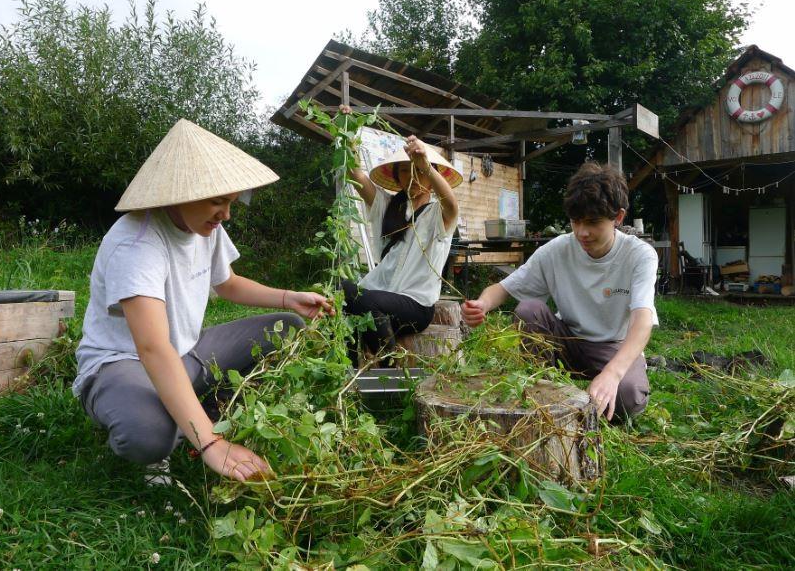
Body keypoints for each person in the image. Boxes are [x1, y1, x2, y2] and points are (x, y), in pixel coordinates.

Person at [74, 119, 333, 482]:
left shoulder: (204, 227)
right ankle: (180, 425)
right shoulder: (137, 244)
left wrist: (290, 298)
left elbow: (226, 283)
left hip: (186, 353)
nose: (225, 214)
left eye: (229, 202)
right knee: (148, 436)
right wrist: (210, 443)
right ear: (181, 194)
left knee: (286, 328)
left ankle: (191, 413)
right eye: (217, 201)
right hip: (124, 364)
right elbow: (151, 348)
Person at [461, 162, 657, 422]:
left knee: (627, 399)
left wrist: (613, 373)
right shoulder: (557, 250)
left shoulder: (639, 255)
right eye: (575, 221)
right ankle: (541, 387)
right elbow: (504, 288)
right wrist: (482, 304)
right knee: (529, 310)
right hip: (568, 342)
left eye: (593, 222)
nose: (582, 232)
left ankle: (606, 380)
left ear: (618, 217)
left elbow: (642, 319)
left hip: (613, 346)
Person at [339, 105, 461, 367]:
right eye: (406, 170)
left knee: (365, 301)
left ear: (431, 176)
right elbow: (355, 174)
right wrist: (348, 133)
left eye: (418, 170)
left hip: (416, 306)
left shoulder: (439, 214)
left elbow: (452, 203)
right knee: (341, 292)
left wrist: (425, 165)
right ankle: (347, 371)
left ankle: (389, 364)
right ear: (398, 176)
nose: (413, 175)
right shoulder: (389, 206)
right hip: (381, 297)